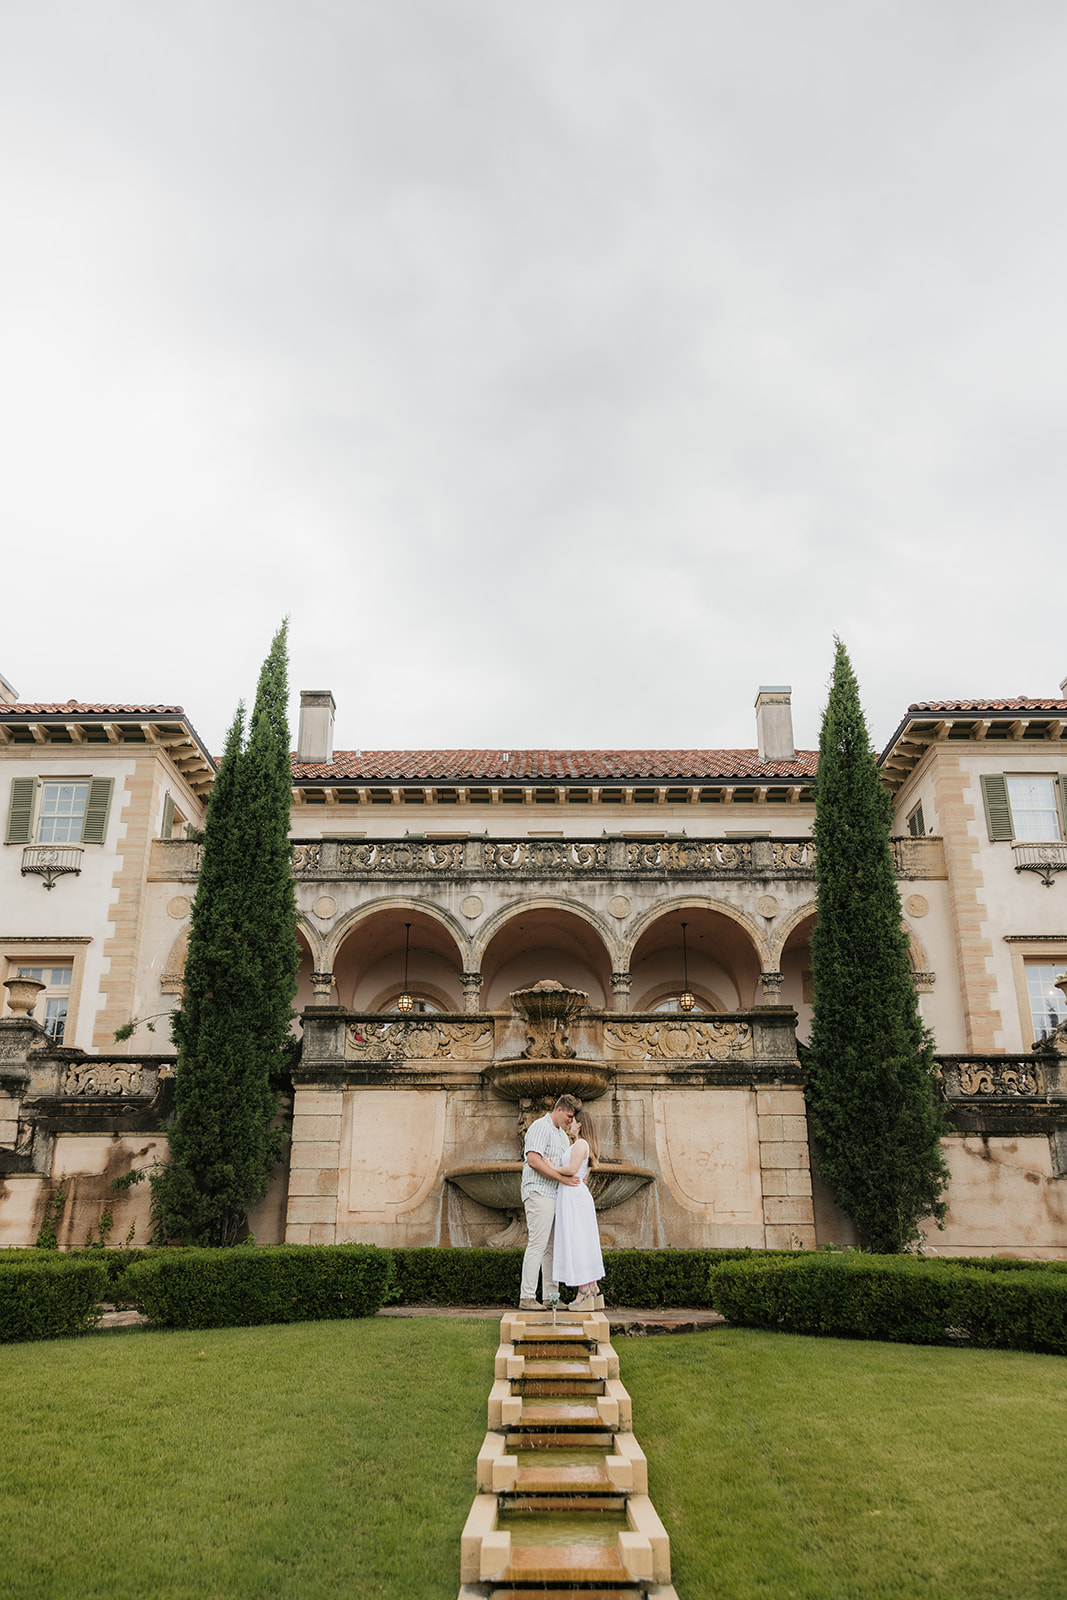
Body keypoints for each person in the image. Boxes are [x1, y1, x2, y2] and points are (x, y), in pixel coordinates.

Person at [519, 1093, 582, 1310]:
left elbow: (560, 1165)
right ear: (559, 1110)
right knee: (538, 1243)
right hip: (538, 1191)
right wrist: (561, 1177)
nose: (570, 1121)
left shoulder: (563, 1137)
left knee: (551, 1248)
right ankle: (527, 1297)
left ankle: (551, 1298)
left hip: (555, 1195)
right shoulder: (540, 1127)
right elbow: (534, 1160)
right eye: (569, 1116)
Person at [552, 1110, 605, 1311]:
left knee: (578, 1242)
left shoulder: (581, 1144)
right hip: (576, 1194)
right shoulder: (585, 1146)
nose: (570, 1124)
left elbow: (572, 1170)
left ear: (579, 1125)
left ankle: (583, 1292)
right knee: (584, 1241)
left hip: (573, 1196)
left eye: (572, 1121)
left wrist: (550, 1167)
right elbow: (583, 1175)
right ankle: (593, 1288)